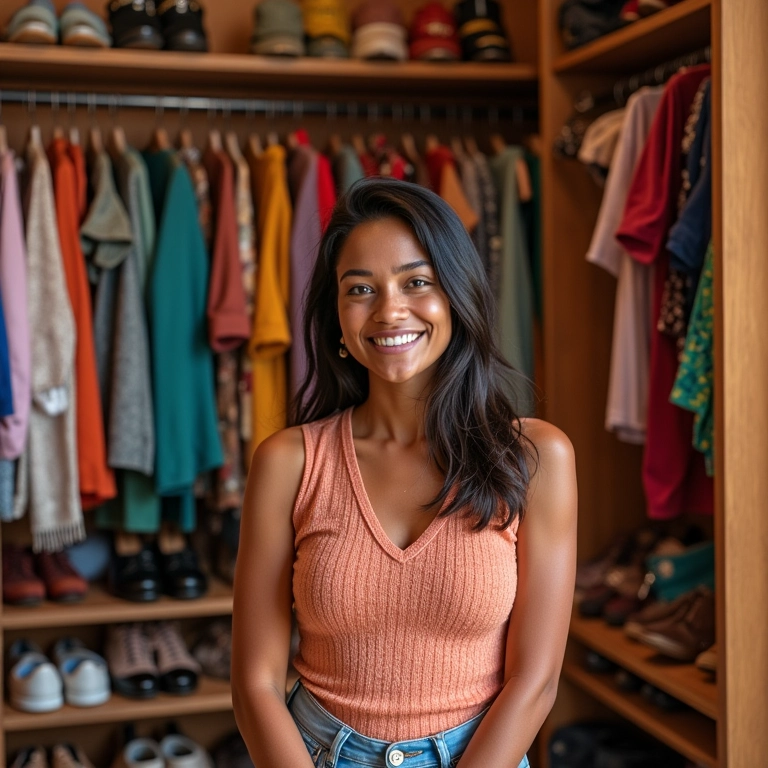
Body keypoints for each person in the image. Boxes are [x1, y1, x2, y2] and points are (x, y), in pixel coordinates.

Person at [232, 177, 577, 768]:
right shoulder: (288, 463)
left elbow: (536, 680)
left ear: (456, 297)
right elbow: (255, 684)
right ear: (336, 319)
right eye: (359, 288)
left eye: (417, 282)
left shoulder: (534, 457)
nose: (390, 309)